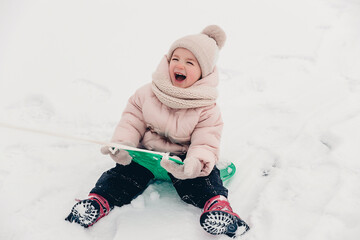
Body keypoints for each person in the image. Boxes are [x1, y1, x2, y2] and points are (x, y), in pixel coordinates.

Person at [65, 25, 249, 238]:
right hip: (147, 155)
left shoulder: (207, 108)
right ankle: (97, 202)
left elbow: (206, 142)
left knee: (204, 179)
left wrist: (195, 163)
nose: (179, 65)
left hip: (181, 160)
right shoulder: (147, 93)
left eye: (189, 62)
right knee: (122, 175)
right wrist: (123, 145)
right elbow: (131, 121)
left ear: (203, 73)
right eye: (175, 59)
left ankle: (218, 207)